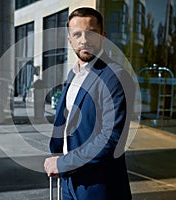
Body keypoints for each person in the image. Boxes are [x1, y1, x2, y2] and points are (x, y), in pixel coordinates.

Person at [44, 7, 135, 200]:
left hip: (98, 186)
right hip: (69, 180)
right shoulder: (73, 73)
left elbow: (110, 139)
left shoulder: (115, 77)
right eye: (77, 34)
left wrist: (62, 164)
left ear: (103, 36)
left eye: (91, 33)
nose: (84, 40)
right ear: (70, 40)